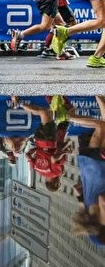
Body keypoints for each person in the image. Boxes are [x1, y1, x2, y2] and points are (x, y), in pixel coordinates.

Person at [68, 95, 105, 245]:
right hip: (90, 167)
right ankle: (98, 94)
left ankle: (71, 117)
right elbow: (78, 192)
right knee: (103, 126)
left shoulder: (102, 219)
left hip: (97, 168)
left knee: (101, 126)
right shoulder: (88, 215)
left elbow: (102, 199)